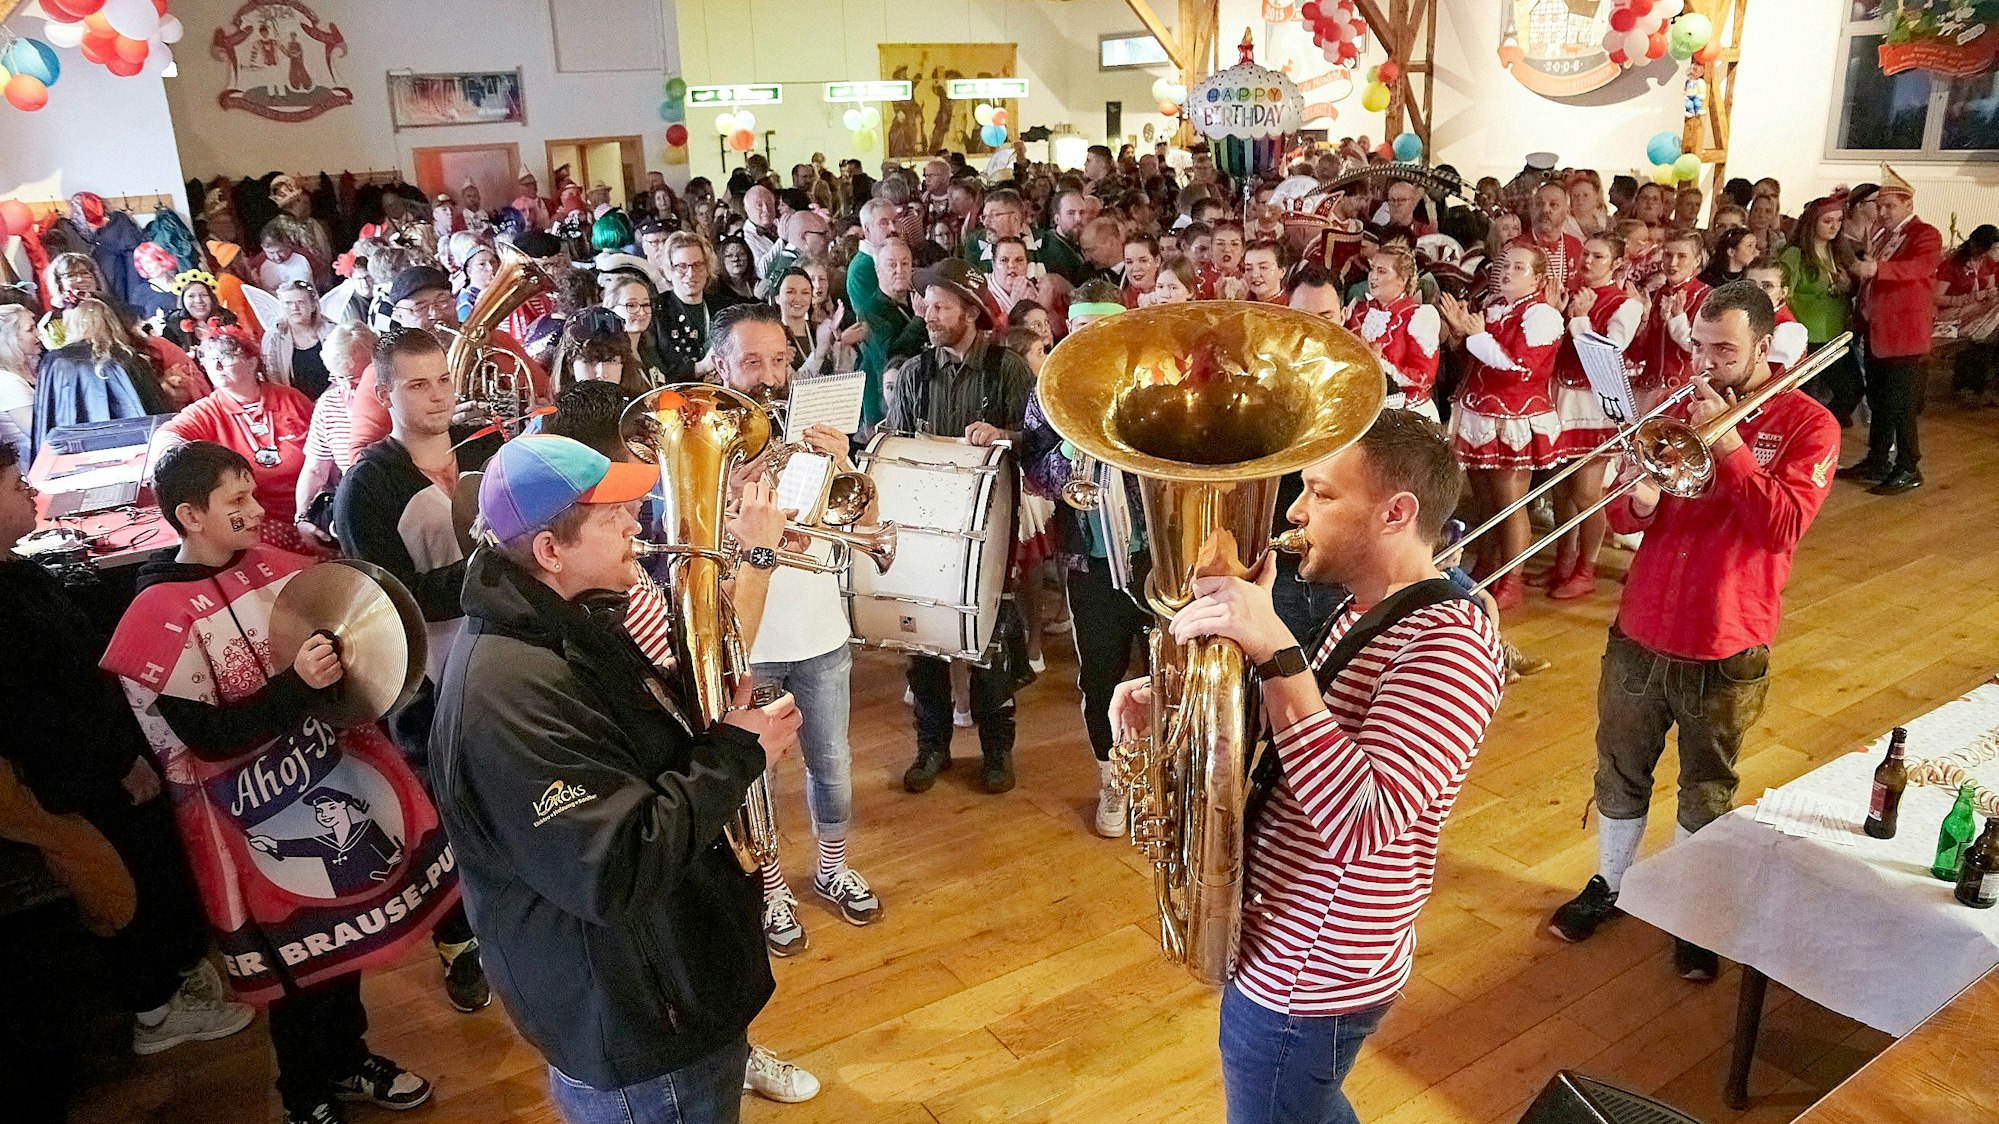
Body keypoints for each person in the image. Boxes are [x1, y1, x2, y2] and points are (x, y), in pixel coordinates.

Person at [1110, 410, 1503, 1124]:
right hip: (1287, 935)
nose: (1294, 511)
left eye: (1320, 494)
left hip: (1314, 969)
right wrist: (1171, 702)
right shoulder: (1367, 609)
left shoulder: (1452, 645)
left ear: (1395, 513)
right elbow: (1303, 738)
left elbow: (1362, 820)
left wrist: (1275, 652)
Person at [430, 432, 800, 1124]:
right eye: (612, 517)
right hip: (639, 1021)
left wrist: (723, 731)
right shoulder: (512, 693)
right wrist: (733, 757)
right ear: (550, 551)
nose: (638, 522)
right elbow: (613, 868)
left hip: (660, 988)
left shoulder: (567, 622)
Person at [102, 441, 448, 1124]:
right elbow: (206, 735)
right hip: (244, 818)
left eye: (254, 495)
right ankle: (303, 1093)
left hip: (327, 780)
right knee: (296, 967)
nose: (257, 511)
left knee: (341, 939)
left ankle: (347, 1059)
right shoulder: (155, 614)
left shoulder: (277, 569)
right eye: (237, 503)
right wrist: (297, 687)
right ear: (190, 516)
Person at [1551, 282, 1839, 977]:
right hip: (1642, 623)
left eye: (1724, 350)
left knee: (1705, 785)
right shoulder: (1676, 406)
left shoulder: (1809, 426)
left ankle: (1687, 903)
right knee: (1618, 766)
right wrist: (1635, 497)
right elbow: (1628, 522)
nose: (1704, 365)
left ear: (1763, 348)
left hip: (1726, 636)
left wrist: (1733, 442)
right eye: (1698, 348)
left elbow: (1782, 527)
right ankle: (1610, 883)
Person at [0, 440, 257, 1084]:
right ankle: (156, 1008)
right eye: (13, 488)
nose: (30, 493)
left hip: (95, 759)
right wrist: (120, 761)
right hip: (80, 778)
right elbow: (39, 716)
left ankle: (167, 983)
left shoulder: (16, 575)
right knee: (133, 878)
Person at [700, 304, 885, 956]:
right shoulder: (698, 450)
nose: (769, 376)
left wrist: (844, 466)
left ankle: (830, 868)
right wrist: (728, 505)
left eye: (779, 360)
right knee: (756, 781)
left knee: (832, 767)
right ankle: (772, 885)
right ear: (719, 365)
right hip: (749, 643)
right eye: (751, 361)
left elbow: (865, 529)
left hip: (820, 634)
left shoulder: (811, 432)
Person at [887, 258, 1034, 795]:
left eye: (941, 304)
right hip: (927, 529)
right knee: (924, 643)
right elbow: (897, 449)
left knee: (989, 641)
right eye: (926, 304)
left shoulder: (1008, 369)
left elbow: (1038, 439)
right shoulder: (913, 373)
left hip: (990, 528)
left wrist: (1001, 434)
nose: (928, 313)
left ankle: (997, 750)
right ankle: (933, 748)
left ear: (970, 311)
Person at [1437, 245, 1565, 610]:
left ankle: (1513, 578)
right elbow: (1477, 360)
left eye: (1519, 267)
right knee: (1486, 500)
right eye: (1505, 265)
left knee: (1510, 503)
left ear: (1538, 278)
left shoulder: (1543, 316)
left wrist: (1476, 335)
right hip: (1481, 412)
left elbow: (1515, 367)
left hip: (1515, 417)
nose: (1507, 272)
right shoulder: (1494, 308)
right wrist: (1462, 334)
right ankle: (1488, 566)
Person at [345, 265, 550, 462]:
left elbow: (548, 394)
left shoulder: (497, 342)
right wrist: (436, 426)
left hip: (523, 456)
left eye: (442, 301)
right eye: (420, 308)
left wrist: (543, 410)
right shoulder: (382, 370)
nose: (435, 315)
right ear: (398, 315)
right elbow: (358, 455)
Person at [152, 327, 318, 552]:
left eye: (226, 357)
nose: (217, 366)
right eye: (210, 360)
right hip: (256, 523)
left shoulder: (291, 399)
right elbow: (166, 435)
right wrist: (175, 458)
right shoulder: (206, 411)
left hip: (311, 512)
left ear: (251, 362)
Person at [1547, 233, 1644, 601]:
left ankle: (1586, 568)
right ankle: (1563, 560)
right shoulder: (1572, 294)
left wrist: (1581, 318)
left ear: (1616, 264)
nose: (1587, 261)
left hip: (1595, 406)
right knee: (1560, 489)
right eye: (1585, 254)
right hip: (1562, 398)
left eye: (1598, 256)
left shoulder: (1626, 306)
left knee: (1587, 493)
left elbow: (1608, 352)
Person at [1839, 166, 1941, 495]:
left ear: (1908, 205)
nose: (1882, 212)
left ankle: (1909, 465)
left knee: (1900, 404)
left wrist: (1876, 268)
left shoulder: (1925, 234)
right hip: (1878, 331)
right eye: (1880, 206)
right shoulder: (1883, 236)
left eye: (1890, 206)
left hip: (1904, 335)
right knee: (1879, 400)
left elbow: (1919, 268)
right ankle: (1878, 458)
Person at [294, 323, 376, 549]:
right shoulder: (328, 404)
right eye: (339, 378)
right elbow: (315, 468)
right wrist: (301, 517)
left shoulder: (393, 398)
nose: (348, 388)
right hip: (356, 506)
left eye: (357, 379)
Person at [1777, 195, 1859, 420]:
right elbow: (1783, 293)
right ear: (1812, 222)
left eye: (1839, 221)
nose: (1834, 226)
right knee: (1803, 395)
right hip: (1807, 336)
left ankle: (1823, 425)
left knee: (1852, 389)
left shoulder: (1840, 252)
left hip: (1836, 333)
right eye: (1827, 221)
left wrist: (1848, 285)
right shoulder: (1795, 254)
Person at [1343, 247, 1440, 419]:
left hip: (1407, 414)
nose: (1372, 276)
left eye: (1381, 271)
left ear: (1402, 279)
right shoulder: (1358, 310)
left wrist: (1378, 363)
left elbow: (1423, 379)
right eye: (1372, 269)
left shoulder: (1418, 316)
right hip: (1363, 411)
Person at [1635, 232, 1711, 408]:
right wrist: (1642, 320)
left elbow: (1700, 350)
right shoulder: (1653, 295)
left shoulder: (1707, 297)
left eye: (1682, 256)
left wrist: (1678, 319)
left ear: (1697, 261)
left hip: (1683, 393)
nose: (1673, 263)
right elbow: (1636, 355)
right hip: (1646, 391)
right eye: (1668, 255)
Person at [1937, 224, 1999, 405]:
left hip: (1977, 312)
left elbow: (1989, 288)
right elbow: (1936, 298)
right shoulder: (1953, 264)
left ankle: (1977, 388)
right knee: (1980, 338)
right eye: (1984, 249)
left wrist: (1990, 293)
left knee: (1986, 337)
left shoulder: (1986, 262)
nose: (1985, 254)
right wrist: (1968, 298)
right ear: (1974, 244)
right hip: (1951, 315)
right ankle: (1966, 388)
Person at [775, 268, 863, 378]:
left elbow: (843, 377)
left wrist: (842, 344)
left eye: (805, 292)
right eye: (790, 292)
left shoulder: (820, 329)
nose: (798, 298)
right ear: (777, 297)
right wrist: (820, 351)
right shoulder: (773, 338)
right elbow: (790, 385)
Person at [262, 280, 337, 399]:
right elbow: (273, 379)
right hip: (292, 402)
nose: (294, 308)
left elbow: (341, 373)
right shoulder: (273, 338)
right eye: (288, 303)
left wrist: (322, 402)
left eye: (300, 302)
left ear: (313, 305)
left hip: (331, 400)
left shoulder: (333, 332)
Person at [602, 273, 671, 387]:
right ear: (610, 309)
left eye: (645, 304)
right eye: (631, 305)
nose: (642, 312)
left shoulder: (649, 348)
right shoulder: (609, 359)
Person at [0, 305, 40, 462]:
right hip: (32, 463)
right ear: (9, 338)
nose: (39, 334)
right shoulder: (7, 382)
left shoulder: (29, 369)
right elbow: (38, 430)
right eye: (30, 330)